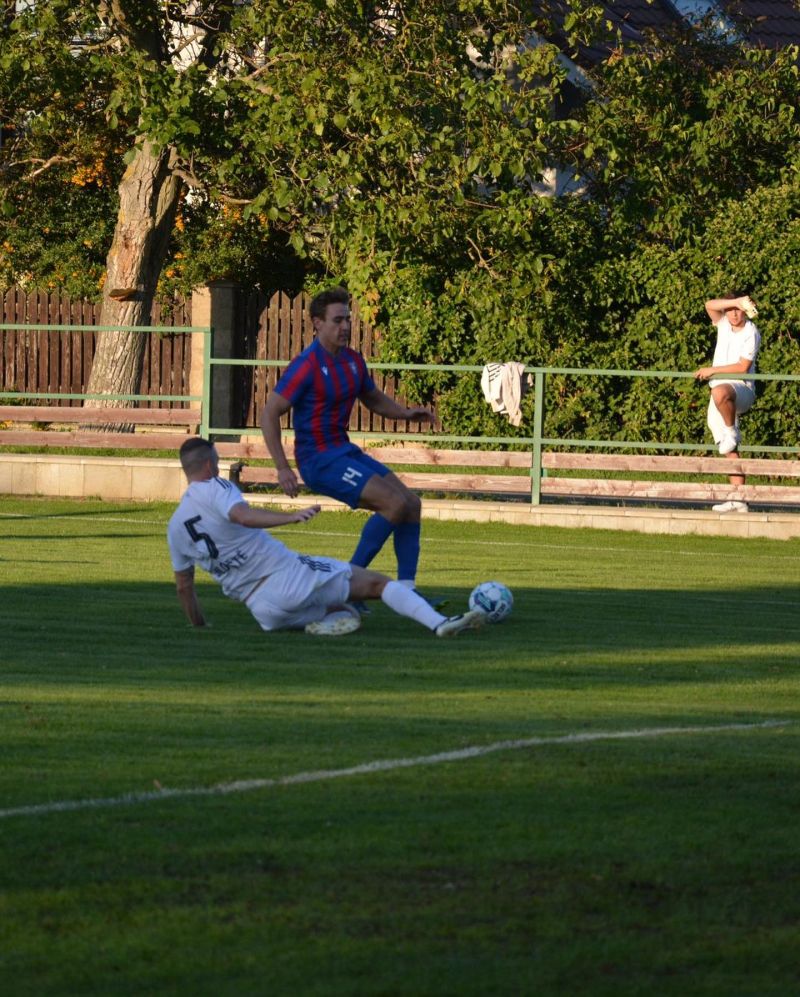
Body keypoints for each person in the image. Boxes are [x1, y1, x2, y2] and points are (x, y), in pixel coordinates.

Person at [167, 437, 485, 638]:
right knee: (377, 584)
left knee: (345, 611)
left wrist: (199, 626)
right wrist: (290, 517)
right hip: (287, 577)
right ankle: (439, 623)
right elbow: (242, 516)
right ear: (209, 464)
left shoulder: (175, 526)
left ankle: (323, 619)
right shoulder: (216, 486)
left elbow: (184, 586)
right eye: (217, 458)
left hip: (263, 610)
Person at [260, 286, 436, 602]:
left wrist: (407, 414)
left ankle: (408, 590)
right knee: (393, 504)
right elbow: (270, 413)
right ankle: (346, 588)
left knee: (411, 504)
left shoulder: (353, 360)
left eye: (348, 320)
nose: (345, 327)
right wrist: (282, 467)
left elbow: (372, 398)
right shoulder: (306, 365)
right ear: (317, 323)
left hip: (343, 450)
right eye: (337, 320)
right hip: (318, 460)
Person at [694, 291, 761, 514]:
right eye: (731, 309)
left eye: (738, 310)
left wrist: (711, 370)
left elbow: (742, 367)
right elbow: (709, 304)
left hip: (742, 390)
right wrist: (735, 302)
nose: (733, 314)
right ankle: (738, 499)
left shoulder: (751, 332)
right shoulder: (723, 324)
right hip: (718, 394)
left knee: (721, 391)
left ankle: (732, 430)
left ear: (745, 311)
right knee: (728, 447)